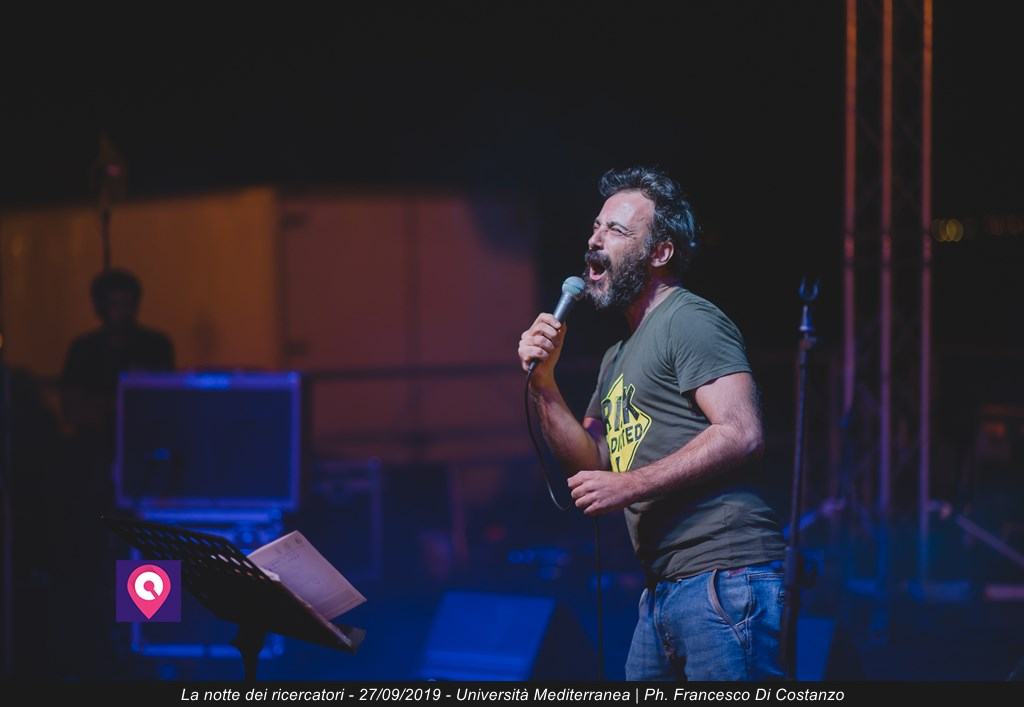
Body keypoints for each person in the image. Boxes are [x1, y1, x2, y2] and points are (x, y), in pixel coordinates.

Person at [517, 166, 786, 681]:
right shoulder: (616, 357)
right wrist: (543, 382)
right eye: (596, 227)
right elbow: (592, 464)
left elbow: (741, 431)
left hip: (725, 578)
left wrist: (631, 484)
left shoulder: (689, 319)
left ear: (659, 252)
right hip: (663, 588)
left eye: (616, 230)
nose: (595, 240)